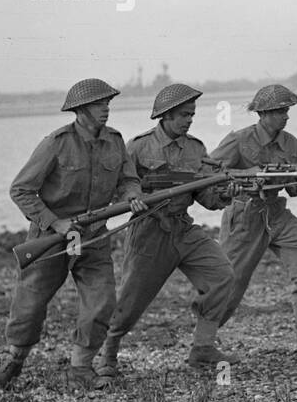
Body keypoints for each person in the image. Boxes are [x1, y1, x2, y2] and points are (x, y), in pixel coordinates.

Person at [0, 78, 146, 390]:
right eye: (99, 104)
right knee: (30, 304)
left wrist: (132, 195)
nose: (106, 109)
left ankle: (81, 368)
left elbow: (128, 179)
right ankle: (14, 360)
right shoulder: (56, 143)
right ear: (80, 110)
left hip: (94, 236)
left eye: (107, 103)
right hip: (52, 237)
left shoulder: (115, 141)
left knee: (102, 301)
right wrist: (55, 222)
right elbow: (21, 190)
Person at [95, 84, 239, 377]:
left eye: (192, 115)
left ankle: (203, 347)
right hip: (148, 231)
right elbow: (118, 186)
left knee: (221, 275)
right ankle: (106, 354)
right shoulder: (138, 147)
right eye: (184, 115)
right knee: (131, 300)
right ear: (166, 115)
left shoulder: (196, 149)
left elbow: (207, 198)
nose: (189, 120)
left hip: (183, 229)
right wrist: (130, 199)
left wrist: (225, 193)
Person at [210, 84, 297, 342]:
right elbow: (209, 173)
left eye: (286, 110)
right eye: (280, 111)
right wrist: (250, 173)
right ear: (263, 114)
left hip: (277, 213)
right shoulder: (238, 140)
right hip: (244, 215)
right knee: (231, 280)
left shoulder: (291, 144)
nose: (286, 116)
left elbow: (295, 191)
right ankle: (205, 335)